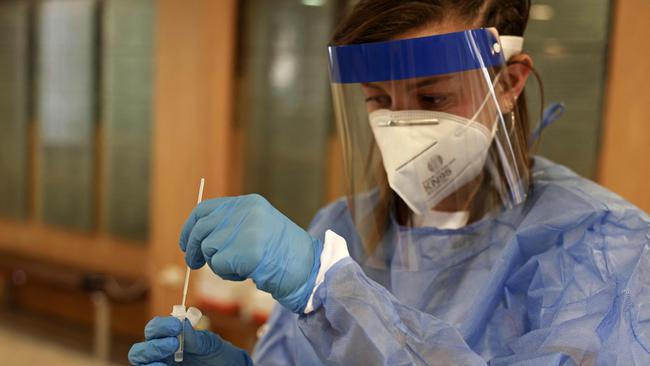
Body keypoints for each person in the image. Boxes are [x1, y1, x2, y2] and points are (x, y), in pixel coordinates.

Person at [128, 1, 650, 365]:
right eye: (378, 99)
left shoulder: (602, 249)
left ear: (509, 83)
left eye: (433, 99)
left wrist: (328, 292)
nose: (401, 126)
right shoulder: (342, 229)